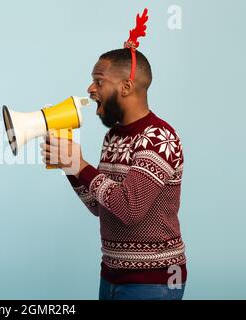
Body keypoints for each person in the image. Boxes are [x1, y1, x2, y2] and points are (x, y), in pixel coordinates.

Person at [40, 9, 187, 300]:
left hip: (154, 280)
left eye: (99, 81)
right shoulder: (114, 136)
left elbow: (129, 209)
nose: (90, 88)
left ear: (126, 87)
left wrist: (80, 165)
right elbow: (101, 205)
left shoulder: (159, 138)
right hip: (112, 274)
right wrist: (70, 169)